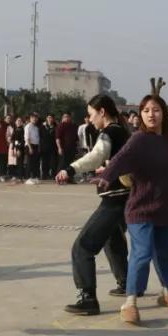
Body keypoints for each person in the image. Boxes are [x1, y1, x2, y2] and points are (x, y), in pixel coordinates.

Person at [97, 94, 168, 325]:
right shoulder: (139, 140)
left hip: (166, 210)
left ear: (164, 114)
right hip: (140, 209)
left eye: (156, 110)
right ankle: (130, 302)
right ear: (141, 114)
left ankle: (167, 292)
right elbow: (121, 159)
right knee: (141, 255)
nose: (151, 114)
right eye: (147, 110)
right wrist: (106, 177)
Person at [56, 95, 133, 315]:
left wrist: (69, 169)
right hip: (124, 195)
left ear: (102, 112)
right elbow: (115, 160)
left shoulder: (110, 131)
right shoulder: (122, 131)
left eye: (91, 114)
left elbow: (96, 156)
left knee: (83, 247)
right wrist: (107, 168)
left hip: (115, 199)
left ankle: (87, 298)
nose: (90, 120)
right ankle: (126, 283)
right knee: (112, 238)